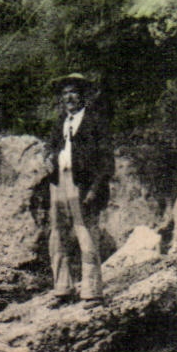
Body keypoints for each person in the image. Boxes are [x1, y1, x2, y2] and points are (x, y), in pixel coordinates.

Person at [43, 73, 113, 306]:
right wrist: (49, 158)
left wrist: (94, 189)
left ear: (83, 96)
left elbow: (106, 161)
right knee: (57, 234)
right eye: (65, 93)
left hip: (83, 185)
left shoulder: (95, 122)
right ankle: (63, 288)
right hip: (59, 182)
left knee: (86, 235)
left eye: (73, 92)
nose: (69, 97)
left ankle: (92, 291)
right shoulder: (60, 122)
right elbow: (51, 147)